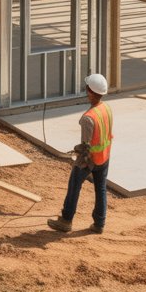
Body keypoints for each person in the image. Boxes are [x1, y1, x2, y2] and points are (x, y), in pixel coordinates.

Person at [47, 73, 113, 235]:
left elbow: (86, 147)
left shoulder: (87, 119)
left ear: (90, 91)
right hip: (104, 157)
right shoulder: (107, 108)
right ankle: (99, 223)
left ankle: (66, 221)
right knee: (101, 189)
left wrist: (79, 158)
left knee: (74, 187)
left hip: (89, 161)